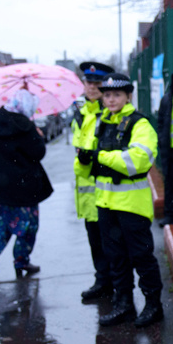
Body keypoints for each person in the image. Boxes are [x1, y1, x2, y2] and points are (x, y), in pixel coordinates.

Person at [77, 73, 163, 327]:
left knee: (142, 257)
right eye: (107, 95)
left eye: (116, 94)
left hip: (132, 205)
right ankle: (123, 304)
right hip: (105, 204)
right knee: (116, 259)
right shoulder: (102, 122)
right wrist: (84, 160)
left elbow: (136, 161)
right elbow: (84, 166)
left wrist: (100, 156)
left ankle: (153, 305)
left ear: (128, 96)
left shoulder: (139, 124)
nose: (110, 99)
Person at [0, 89, 53, 277]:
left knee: (0, 223)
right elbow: (38, 153)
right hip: (24, 186)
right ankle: (21, 262)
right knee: (27, 228)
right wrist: (38, 135)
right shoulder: (26, 125)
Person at [72, 61, 115, 301]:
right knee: (96, 243)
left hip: (106, 191)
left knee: (112, 245)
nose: (92, 87)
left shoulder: (108, 113)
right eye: (88, 82)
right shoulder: (82, 113)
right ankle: (102, 281)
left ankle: (116, 287)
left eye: (97, 83)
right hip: (87, 192)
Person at [156, 69, 173, 227]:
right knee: (171, 182)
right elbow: (161, 121)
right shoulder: (166, 99)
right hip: (171, 148)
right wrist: (162, 139)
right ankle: (170, 214)